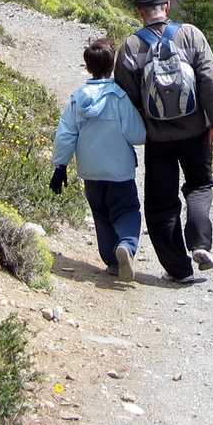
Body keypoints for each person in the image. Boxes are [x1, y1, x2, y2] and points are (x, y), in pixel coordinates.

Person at [114, 0, 213, 282]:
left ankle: (178, 270)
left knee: (161, 205)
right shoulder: (191, 35)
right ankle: (200, 244)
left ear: (139, 12)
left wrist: (144, 127)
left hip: (158, 139)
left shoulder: (130, 47)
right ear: (167, 6)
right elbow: (210, 80)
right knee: (200, 186)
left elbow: (127, 97)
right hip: (195, 133)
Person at [50, 37, 147, 281]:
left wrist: (60, 166)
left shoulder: (77, 99)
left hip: (90, 172)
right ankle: (126, 244)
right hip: (119, 171)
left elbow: (65, 135)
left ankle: (113, 264)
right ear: (113, 66)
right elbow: (137, 134)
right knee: (126, 209)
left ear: (88, 67)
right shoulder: (119, 98)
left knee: (101, 214)